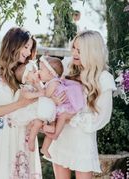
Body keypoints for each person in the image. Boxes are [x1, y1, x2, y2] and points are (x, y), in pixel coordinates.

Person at [45, 30, 117, 179]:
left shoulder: (104, 79)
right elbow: (48, 84)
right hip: (61, 136)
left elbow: (101, 118)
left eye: (80, 50)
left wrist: (69, 117)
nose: (74, 53)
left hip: (82, 140)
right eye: (74, 48)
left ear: (92, 52)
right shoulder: (66, 66)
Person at [0, 27, 42, 179]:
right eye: (25, 47)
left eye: (30, 48)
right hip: (2, 135)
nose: (27, 52)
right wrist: (20, 103)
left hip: (25, 134)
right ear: (12, 44)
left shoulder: (29, 74)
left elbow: (40, 100)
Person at [37, 56, 85, 159]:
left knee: (61, 118)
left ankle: (55, 135)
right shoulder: (51, 82)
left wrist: (38, 86)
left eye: (41, 69)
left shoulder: (54, 83)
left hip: (63, 106)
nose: (38, 72)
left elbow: (46, 95)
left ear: (50, 73)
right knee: (52, 124)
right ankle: (44, 148)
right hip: (56, 107)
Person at [10, 60, 56, 152]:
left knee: (46, 119)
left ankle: (48, 129)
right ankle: (31, 140)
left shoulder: (37, 83)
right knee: (38, 122)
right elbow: (27, 96)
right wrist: (39, 94)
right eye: (34, 72)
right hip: (30, 110)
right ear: (26, 77)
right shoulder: (25, 87)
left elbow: (46, 93)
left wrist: (40, 89)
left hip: (39, 109)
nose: (38, 72)